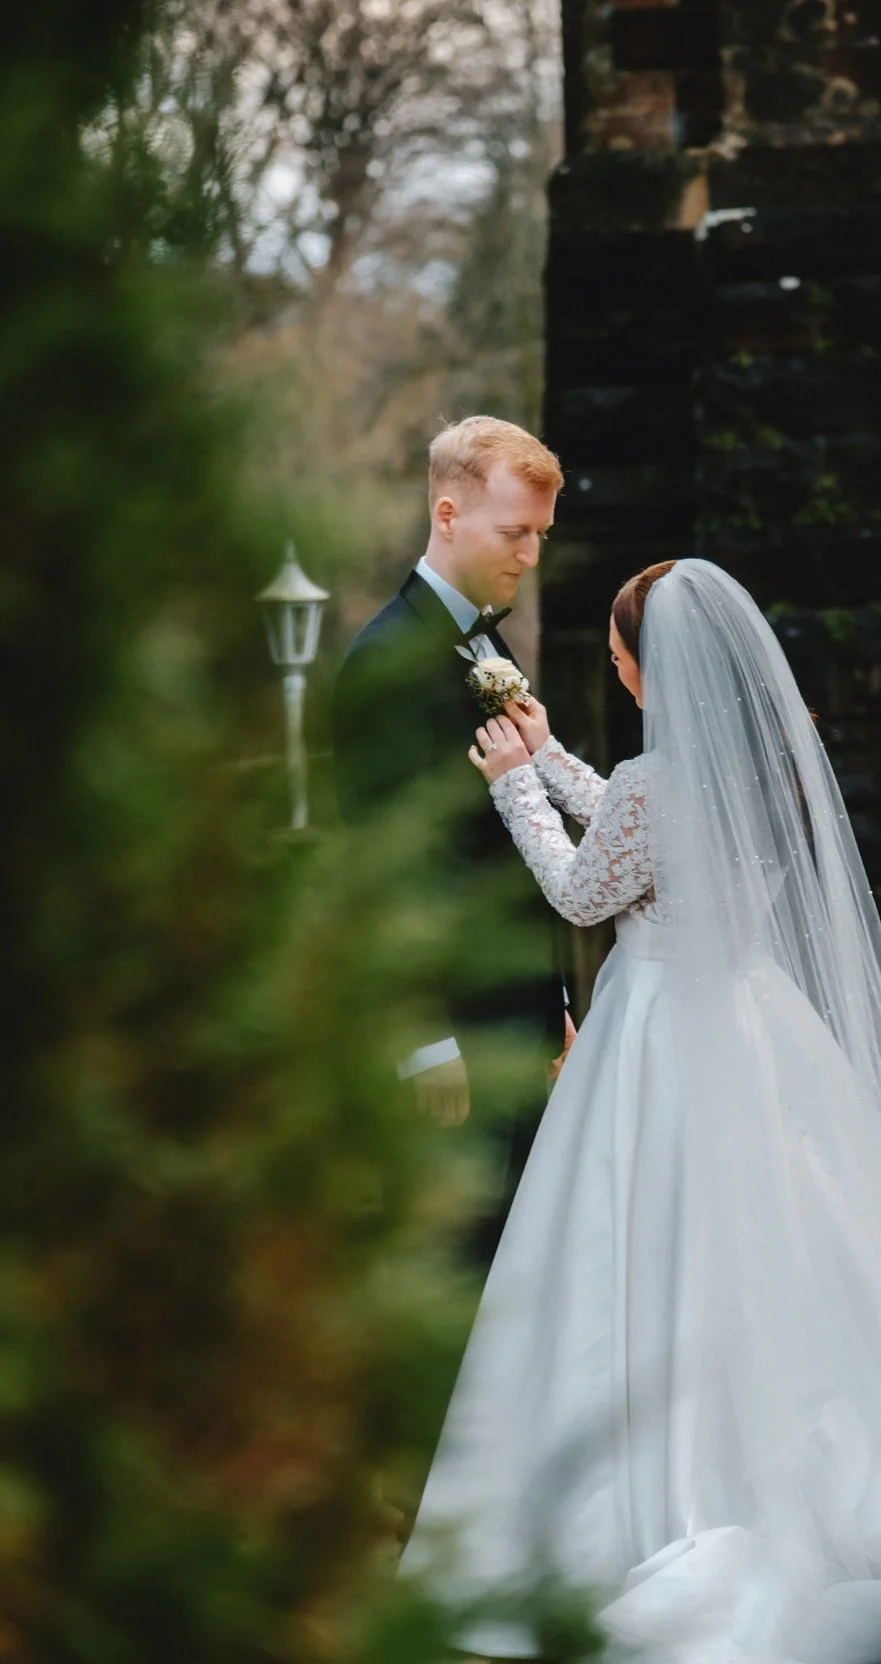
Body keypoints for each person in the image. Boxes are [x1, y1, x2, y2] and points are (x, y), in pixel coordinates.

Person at [401, 558, 881, 1663]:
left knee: (657, 1247)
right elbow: (648, 828)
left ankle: (672, 1476)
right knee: (800, 1238)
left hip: (664, 1034)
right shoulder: (762, 769)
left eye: (622, 650)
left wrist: (513, 781)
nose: (615, 663)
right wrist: (558, 757)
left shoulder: (656, 785)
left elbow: (586, 888)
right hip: (754, 1023)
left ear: (643, 665)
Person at [332, 416, 573, 1263]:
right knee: (456, 1270)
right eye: (515, 533)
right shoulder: (385, 662)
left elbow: (504, 846)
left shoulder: (483, 642)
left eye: (540, 536)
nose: (529, 557)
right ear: (446, 514)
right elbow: (381, 867)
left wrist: (557, 1006)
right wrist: (422, 1040)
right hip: (453, 1041)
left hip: (518, 1026)